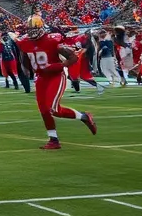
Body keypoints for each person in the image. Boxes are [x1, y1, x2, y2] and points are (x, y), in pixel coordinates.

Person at [17, 15, 97, 150]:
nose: (31, 32)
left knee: (53, 109)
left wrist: (61, 65)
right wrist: (26, 69)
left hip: (55, 76)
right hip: (40, 77)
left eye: (34, 28)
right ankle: (53, 139)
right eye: (29, 29)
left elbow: (73, 57)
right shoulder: (24, 42)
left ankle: (84, 116)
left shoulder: (52, 40)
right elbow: (24, 57)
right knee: (44, 111)